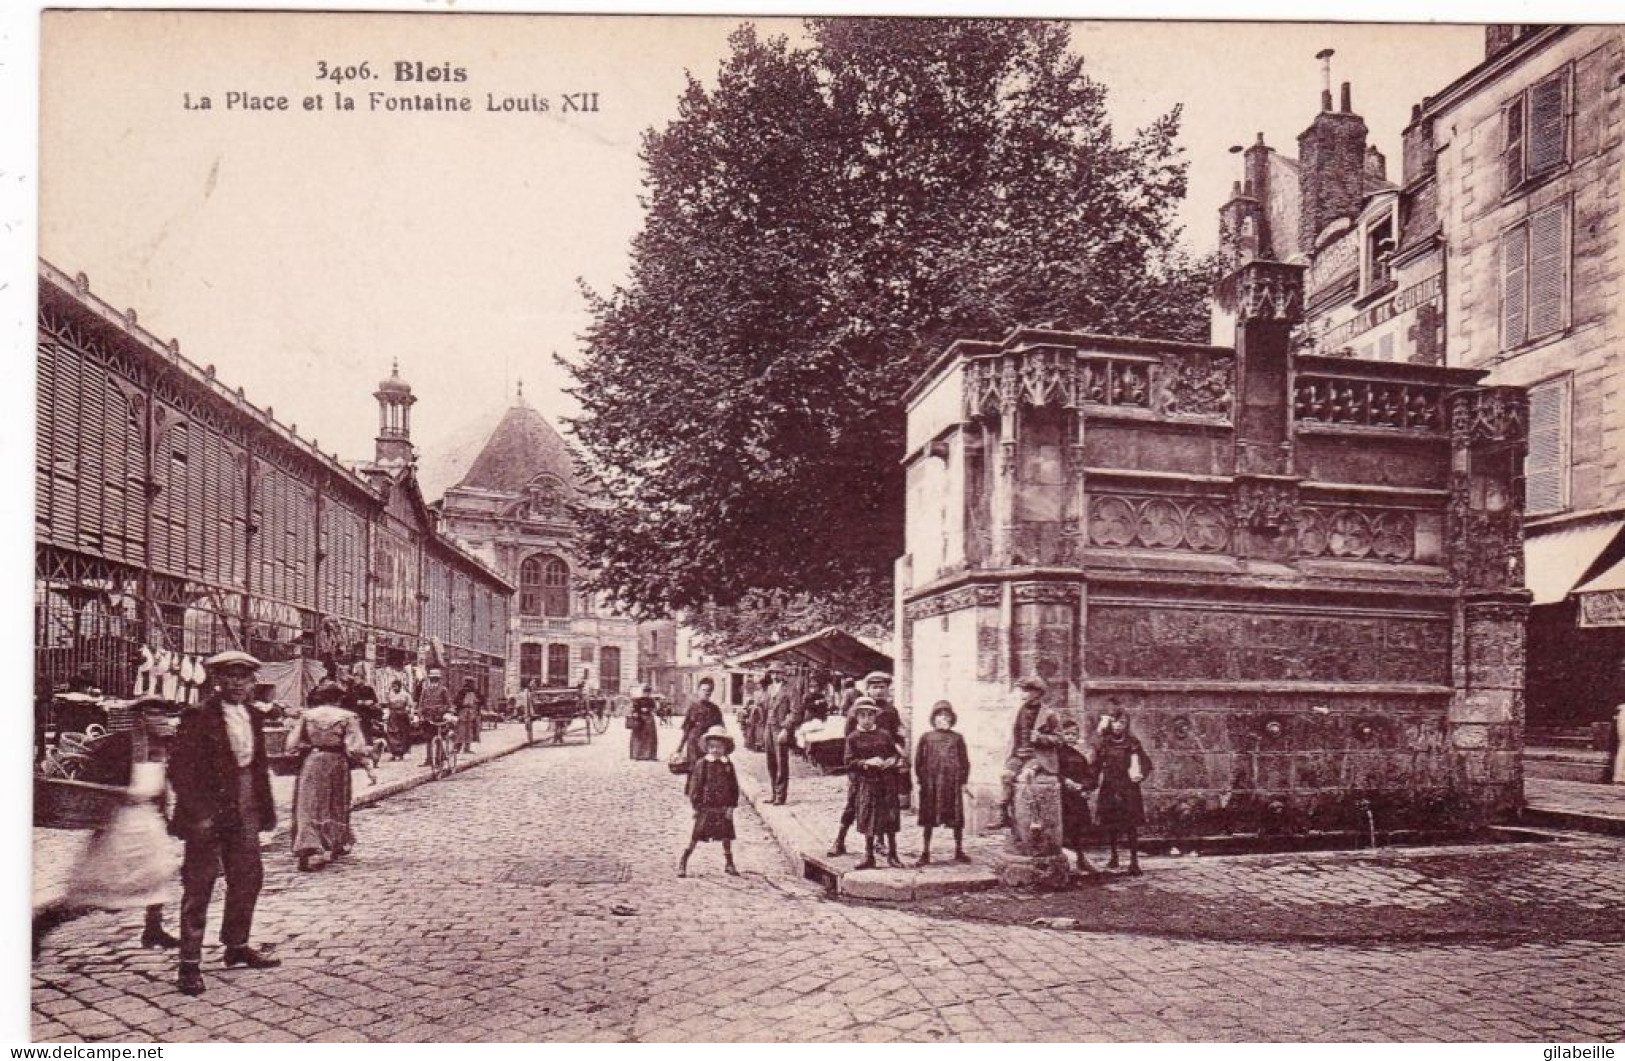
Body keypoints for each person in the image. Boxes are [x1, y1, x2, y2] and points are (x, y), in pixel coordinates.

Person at [168, 650, 281, 996]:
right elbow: (180, 770)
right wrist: (196, 814)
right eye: (228, 676)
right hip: (208, 808)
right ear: (216, 680)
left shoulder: (252, 715)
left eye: (242, 677)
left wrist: (262, 810)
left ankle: (237, 944)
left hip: (245, 805)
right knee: (199, 884)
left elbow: (257, 767)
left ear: (252, 682)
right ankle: (189, 964)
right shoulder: (198, 716)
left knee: (248, 877)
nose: (235, 683)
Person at [31, 701, 179, 958]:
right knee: (97, 886)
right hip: (119, 820)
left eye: (164, 715)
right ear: (141, 718)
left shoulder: (163, 745)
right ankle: (41, 924)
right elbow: (93, 776)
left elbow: (163, 783)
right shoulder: (120, 744)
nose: (162, 720)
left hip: (148, 818)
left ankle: (153, 929)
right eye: (155, 714)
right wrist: (115, 794)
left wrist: (165, 814)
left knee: (159, 872)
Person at [287, 681, 372, 873]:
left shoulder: (307, 716)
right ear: (339, 698)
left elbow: (291, 743)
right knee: (335, 802)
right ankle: (333, 843)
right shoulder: (347, 717)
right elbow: (355, 747)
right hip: (336, 761)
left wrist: (305, 750)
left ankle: (308, 845)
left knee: (309, 803)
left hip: (313, 761)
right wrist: (366, 763)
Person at [828, 671, 901, 856]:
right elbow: (849, 739)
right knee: (853, 803)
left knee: (884, 805)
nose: (878, 691)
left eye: (882, 687)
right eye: (874, 687)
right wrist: (861, 763)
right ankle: (840, 840)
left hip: (884, 767)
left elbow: (897, 737)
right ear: (867, 689)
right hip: (862, 769)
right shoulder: (858, 709)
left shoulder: (891, 711)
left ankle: (880, 841)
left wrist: (896, 757)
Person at [1094, 706, 1153, 876]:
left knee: (1131, 826)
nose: (1118, 726)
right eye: (1115, 722)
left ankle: (1134, 861)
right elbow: (1096, 764)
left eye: (1122, 722)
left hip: (1128, 789)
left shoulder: (1133, 743)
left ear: (1126, 724)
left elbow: (1146, 763)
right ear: (1110, 723)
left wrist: (1140, 774)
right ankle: (1114, 856)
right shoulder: (1104, 742)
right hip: (1110, 787)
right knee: (1111, 824)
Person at [845, 699, 903, 869]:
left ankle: (893, 855)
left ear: (875, 717)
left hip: (887, 782)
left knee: (890, 818)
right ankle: (869, 855)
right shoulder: (853, 738)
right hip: (867, 783)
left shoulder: (884, 735)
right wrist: (866, 762)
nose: (867, 719)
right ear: (856, 717)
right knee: (868, 818)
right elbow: (848, 761)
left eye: (870, 715)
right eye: (862, 715)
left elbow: (894, 754)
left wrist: (892, 760)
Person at [999, 676, 1063, 828]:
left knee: (1027, 776)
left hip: (1038, 757)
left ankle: (1035, 817)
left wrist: (1041, 738)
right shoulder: (1017, 711)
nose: (1023, 694)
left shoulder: (1049, 714)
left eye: (1027, 691)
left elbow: (1060, 739)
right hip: (1018, 755)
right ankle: (1003, 815)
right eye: (1022, 690)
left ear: (1037, 693)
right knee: (1005, 775)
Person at [914, 701, 971, 866]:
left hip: (951, 784)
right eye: (939, 715)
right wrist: (922, 779)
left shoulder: (957, 738)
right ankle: (925, 852)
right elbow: (918, 761)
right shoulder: (926, 737)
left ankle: (959, 849)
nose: (943, 718)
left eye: (947, 716)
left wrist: (963, 781)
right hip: (931, 784)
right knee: (928, 818)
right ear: (933, 718)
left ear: (952, 719)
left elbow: (964, 761)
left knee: (956, 818)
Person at [678, 726, 740, 878]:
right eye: (711, 747)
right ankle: (683, 861)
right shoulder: (703, 764)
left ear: (725, 748)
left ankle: (729, 862)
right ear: (707, 748)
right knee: (696, 835)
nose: (715, 750)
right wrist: (696, 805)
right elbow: (695, 786)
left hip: (723, 807)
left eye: (719, 747)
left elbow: (734, 786)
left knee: (726, 835)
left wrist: (731, 806)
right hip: (706, 806)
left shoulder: (727, 765)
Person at [1057, 719, 1099, 876]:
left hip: (1077, 797)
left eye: (1073, 734)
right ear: (1060, 735)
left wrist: (1084, 787)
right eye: (1066, 734)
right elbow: (1052, 772)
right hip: (1062, 797)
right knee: (1064, 829)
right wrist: (1065, 781)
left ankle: (1081, 858)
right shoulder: (1057, 754)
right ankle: (1067, 862)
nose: (1070, 737)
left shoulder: (1080, 756)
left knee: (1078, 830)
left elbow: (1090, 776)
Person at [762, 667, 803, 804]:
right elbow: (765, 707)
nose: (775, 675)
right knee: (770, 762)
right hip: (768, 727)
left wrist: (786, 729)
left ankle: (781, 795)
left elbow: (795, 711)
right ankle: (773, 793)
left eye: (778, 672)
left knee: (781, 762)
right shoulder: (769, 689)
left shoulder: (791, 689)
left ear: (783, 674)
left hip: (780, 729)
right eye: (772, 673)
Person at [677, 677, 724, 769]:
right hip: (693, 742)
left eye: (709, 690)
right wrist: (680, 747)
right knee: (694, 769)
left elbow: (721, 729)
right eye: (704, 690)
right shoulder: (693, 707)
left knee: (708, 769)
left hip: (708, 744)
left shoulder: (715, 709)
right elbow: (687, 728)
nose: (706, 692)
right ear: (698, 690)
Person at [416, 668, 453, 766]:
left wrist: (441, 709)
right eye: (432, 679)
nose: (433, 681)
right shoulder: (425, 690)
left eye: (435, 679)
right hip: (428, 718)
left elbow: (448, 704)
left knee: (438, 738)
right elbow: (421, 703)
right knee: (428, 739)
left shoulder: (443, 690)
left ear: (438, 679)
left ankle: (438, 758)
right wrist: (420, 714)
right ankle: (428, 759)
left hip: (439, 718)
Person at [341, 667, 382, 747]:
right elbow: (347, 701)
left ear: (363, 679)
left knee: (366, 730)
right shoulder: (351, 689)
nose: (356, 680)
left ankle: (368, 747)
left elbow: (374, 700)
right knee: (355, 731)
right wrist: (357, 702)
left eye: (358, 678)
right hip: (355, 712)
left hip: (366, 713)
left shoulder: (368, 688)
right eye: (355, 678)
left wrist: (369, 702)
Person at [382, 679, 413, 761]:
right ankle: (395, 753)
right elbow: (387, 705)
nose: (394, 688)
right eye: (393, 687)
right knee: (393, 734)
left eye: (396, 686)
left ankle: (405, 752)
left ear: (400, 686)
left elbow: (410, 705)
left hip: (403, 715)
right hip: (393, 716)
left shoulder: (405, 695)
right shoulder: (389, 695)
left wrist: (409, 712)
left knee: (404, 734)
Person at [627, 685, 660, 761]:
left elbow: (654, 709)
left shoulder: (651, 700)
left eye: (648, 692)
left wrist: (649, 710)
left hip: (649, 720)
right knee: (638, 737)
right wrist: (637, 712)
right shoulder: (638, 700)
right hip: (639, 720)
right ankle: (637, 754)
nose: (647, 694)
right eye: (645, 692)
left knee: (650, 737)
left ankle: (650, 755)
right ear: (643, 692)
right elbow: (634, 709)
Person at [454, 678, 482, 754]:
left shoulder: (474, 691)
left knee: (468, 730)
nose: (471, 685)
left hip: (471, 712)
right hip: (464, 711)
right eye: (470, 683)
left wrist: (477, 704)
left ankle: (465, 748)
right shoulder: (463, 691)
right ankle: (458, 747)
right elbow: (456, 701)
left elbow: (482, 700)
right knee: (461, 729)